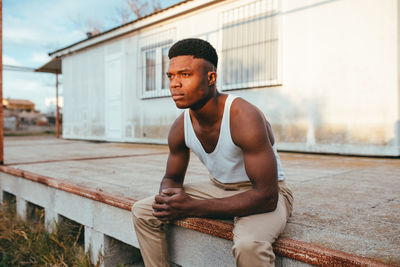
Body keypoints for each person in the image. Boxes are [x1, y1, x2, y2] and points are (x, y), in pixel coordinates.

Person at [132, 38, 293, 267]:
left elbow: (267, 196)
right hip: (220, 189)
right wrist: (170, 198)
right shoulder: (180, 126)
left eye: (185, 75)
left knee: (249, 246)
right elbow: (171, 178)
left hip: (266, 193)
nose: (175, 84)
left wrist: (192, 206)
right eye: (171, 76)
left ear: (211, 78)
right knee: (143, 211)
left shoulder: (243, 116)